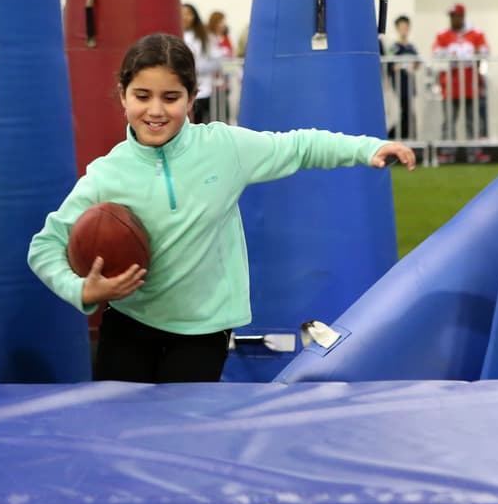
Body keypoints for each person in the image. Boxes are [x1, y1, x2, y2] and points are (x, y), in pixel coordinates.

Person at [27, 33, 416, 383]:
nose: (156, 110)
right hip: (129, 326)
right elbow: (44, 247)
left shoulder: (223, 148)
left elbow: (299, 146)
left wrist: (368, 148)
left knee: (186, 438)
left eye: (171, 97)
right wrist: (81, 288)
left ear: (192, 98)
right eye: (142, 96)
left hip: (203, 333)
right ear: (123, 95)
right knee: (117, 435)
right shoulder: (107, 174)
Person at [431, 3, 489, 157]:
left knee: (473, 120)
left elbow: (485, 50)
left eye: (455, 16)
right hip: (450, 85)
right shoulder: (443, 35)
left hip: (471, 84)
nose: (453, 19)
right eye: (451, 16)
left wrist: (475, 53)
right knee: (449, 120)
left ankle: (475, 151)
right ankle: (447, 151)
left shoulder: (475, 34)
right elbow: (436, 52)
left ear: (462, 16)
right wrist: (451, 54)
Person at [181, 2, 220, 124]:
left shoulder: (204, 36)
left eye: (188, 14)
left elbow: (216, 60)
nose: (185, 17)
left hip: (202, 90)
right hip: (181, 89)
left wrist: (198, 68)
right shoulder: (175, 34)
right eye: (182, 14)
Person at [389, 15, 419, 140]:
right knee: (405, 111)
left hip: (410, 83)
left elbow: (417, 63)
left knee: (409, 111)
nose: (404, 30)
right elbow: (390, 65)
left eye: (406, 27)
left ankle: (408, 136)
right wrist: (399, 66)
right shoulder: (394, 47)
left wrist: (414, 66)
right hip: (400, 84)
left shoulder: (411, 48)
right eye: (401, 28)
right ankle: (394, 134)